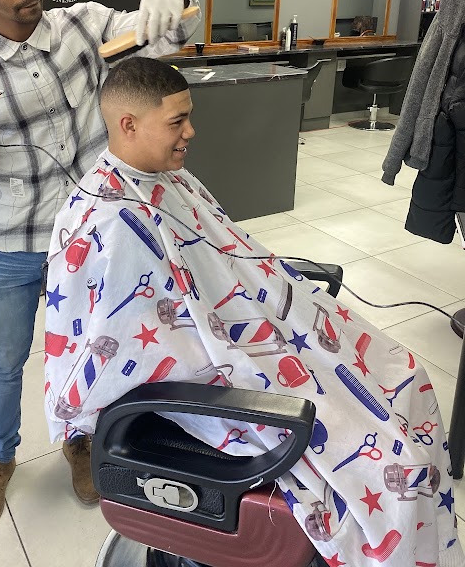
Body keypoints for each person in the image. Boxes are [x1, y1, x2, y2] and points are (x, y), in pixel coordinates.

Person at [44, 57, 464, 567]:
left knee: (406, 374)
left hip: (257, 337)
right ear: (128, 125)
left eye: (188, 116)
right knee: (399, 468)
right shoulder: (105, 223)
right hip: (211, 378)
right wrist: (241, 346)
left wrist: (275, 305)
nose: (191, 132)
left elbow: (225, 263)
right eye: (177, 122)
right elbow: (122, 353)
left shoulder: (170, 181)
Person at [0, 0, 200, 533]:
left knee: (87, 348)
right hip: (11, 241)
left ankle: (78, 442)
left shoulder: (86, 28)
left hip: (90, 239)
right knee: (5, 357)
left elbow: (168, 33)